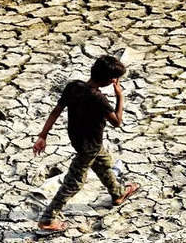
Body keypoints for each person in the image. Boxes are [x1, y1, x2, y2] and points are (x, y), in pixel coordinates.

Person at [32, 55, 140, 232]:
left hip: (79, 140)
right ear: (109, 80)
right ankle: (47, 219)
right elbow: (117, 122)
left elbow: (56, 111)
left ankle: (118, 193)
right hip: (89, 147)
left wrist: (43, 135)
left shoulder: (74, 87)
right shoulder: (99, 99)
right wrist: (120, 96)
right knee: (73, 183)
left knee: (104, 164)